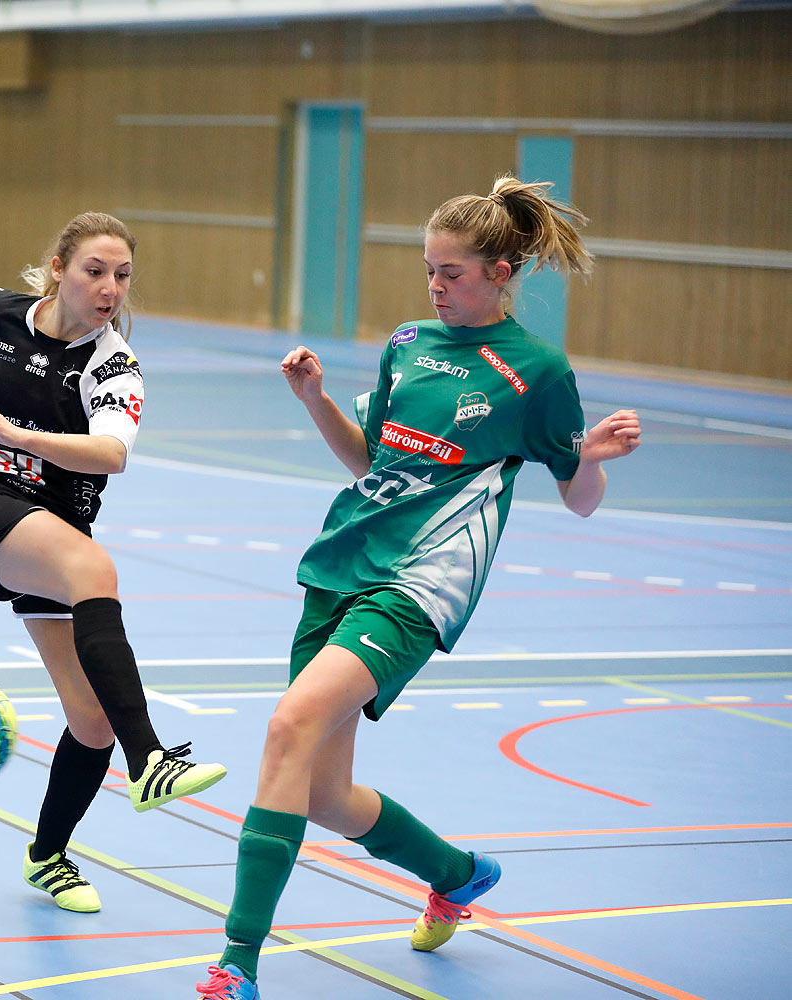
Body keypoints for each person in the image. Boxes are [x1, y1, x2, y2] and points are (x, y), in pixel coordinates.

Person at [193, 176, 642, 999]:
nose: (436, 286)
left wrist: (590, 458)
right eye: (429, 270)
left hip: (421, 583)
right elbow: (371, 461)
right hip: (340, 563)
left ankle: (236, 965)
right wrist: (316, 400)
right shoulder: (409, 343)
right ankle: (457, 873)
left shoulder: (536, 372)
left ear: (502, 272)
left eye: (453, 273)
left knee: (288, 725)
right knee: (322, 793)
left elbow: (576, 500)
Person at [0, 211, 227, 913]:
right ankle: (149, 758)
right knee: (95, 570)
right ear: (59, 268)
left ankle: (47, 856)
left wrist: (20, 436)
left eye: (122, 275)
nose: (110, 288)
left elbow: (111, 453)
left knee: (90, 719)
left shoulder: (113, 364)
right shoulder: (1, 313)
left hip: (47, 537)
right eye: (95, 271)